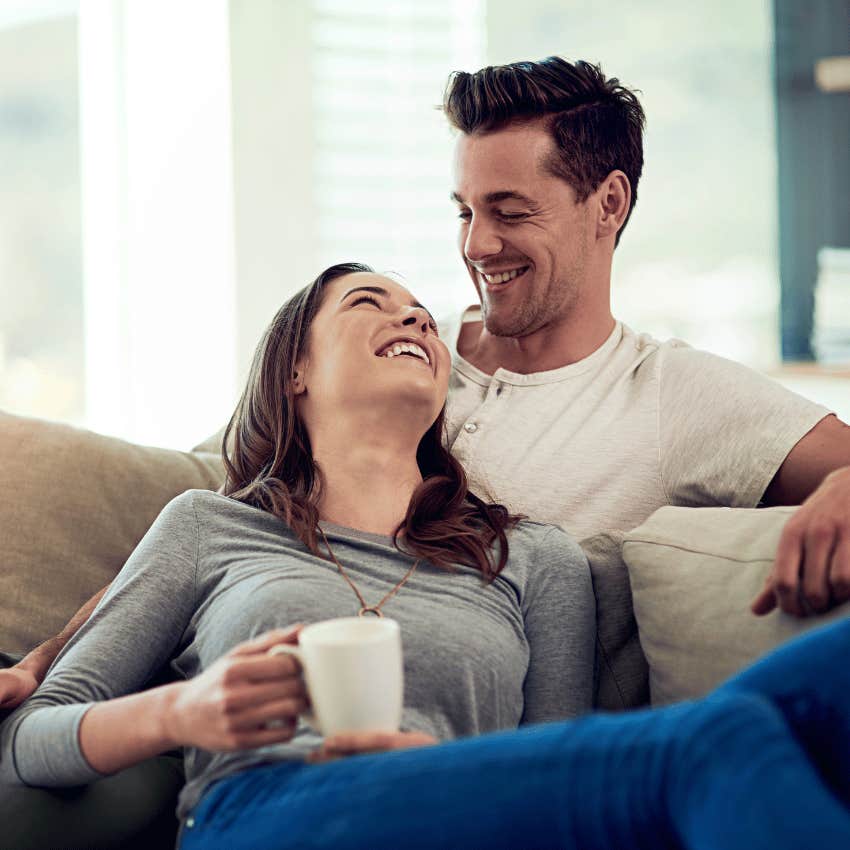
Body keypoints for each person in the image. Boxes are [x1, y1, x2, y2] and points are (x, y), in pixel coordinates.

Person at [3, 57, 850, 717]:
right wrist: (50, 662)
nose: (477, 244)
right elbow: (229, 508)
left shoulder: (674, 394)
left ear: (608, 203)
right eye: (463, 210)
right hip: (248, 705)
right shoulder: (400, 354)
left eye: (510, 211)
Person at [1, 264, 849, 850]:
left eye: (419, 314)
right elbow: (28, 739)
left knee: (825, 678)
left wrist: (449, 770)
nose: (412, 318)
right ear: (294, 369)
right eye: (371, 303)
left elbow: (559, 767)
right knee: (717, 739)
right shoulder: (210, 525)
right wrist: (181, 713)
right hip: (265, 811)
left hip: (458, 813)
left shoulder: (531, 558)